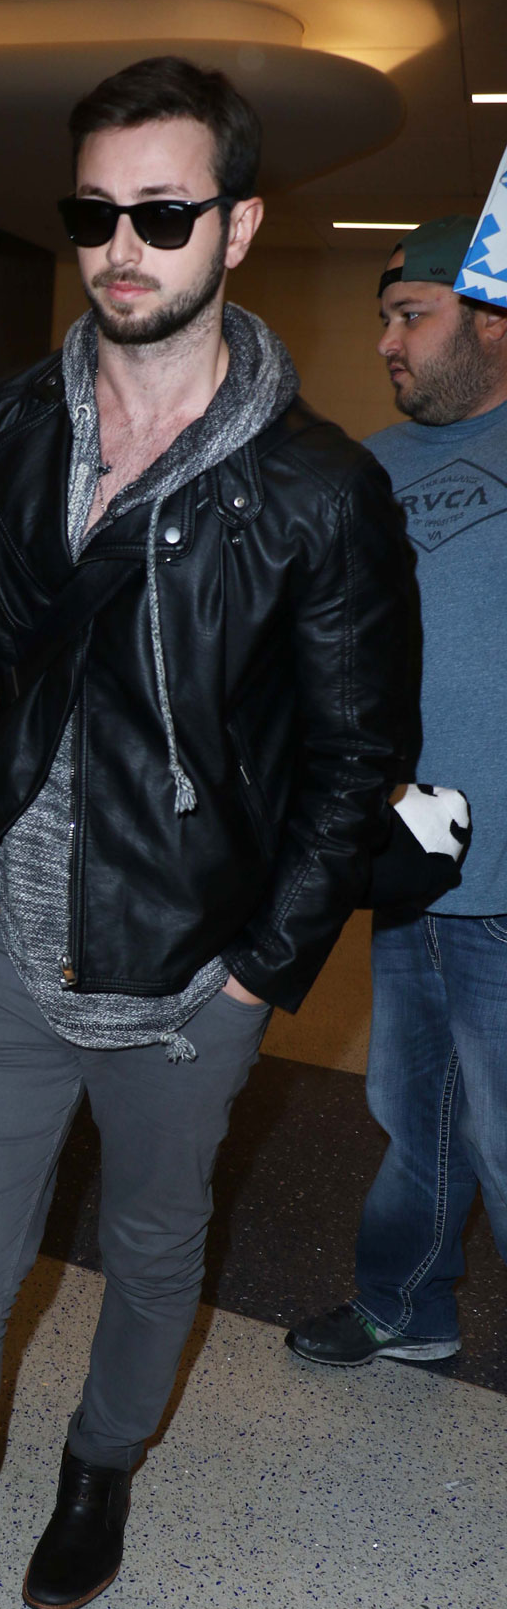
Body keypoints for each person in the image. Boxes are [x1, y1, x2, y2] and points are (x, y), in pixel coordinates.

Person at [0, 54, 419, 1609]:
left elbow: (350, 761)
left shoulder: (318, 487)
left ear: (237, 224)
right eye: (94, 210)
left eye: (162, 212)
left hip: (194, 967)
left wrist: (257, 972)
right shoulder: (16, 422)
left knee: (159, 1241)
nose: (121, 246)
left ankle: (99, 1469)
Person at [286, 216, 507, 1369]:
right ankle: (405, 1303)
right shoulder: (365, 468)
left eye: (409, 314)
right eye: (381, 317)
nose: (385, 340)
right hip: (410, 858)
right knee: (411, 1107)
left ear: (487, 317)